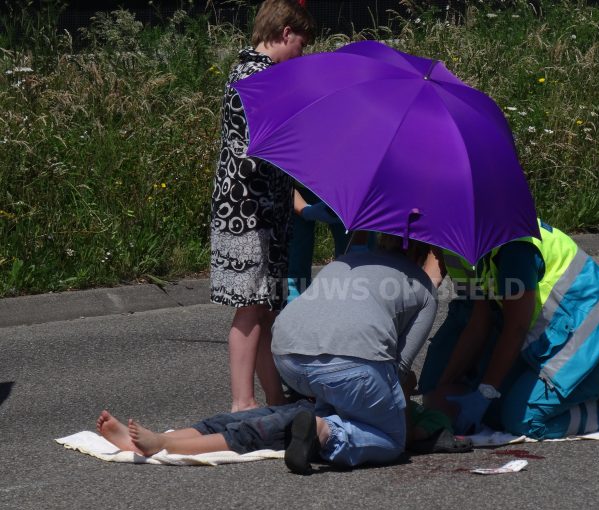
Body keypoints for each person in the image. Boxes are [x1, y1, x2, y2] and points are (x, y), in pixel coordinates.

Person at [420, 219, 599, 440]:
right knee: (491, 410)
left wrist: (485, 392)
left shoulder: (515, 248)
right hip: (568, 346)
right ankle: (581, 391)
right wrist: (445, 386)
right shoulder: (483, 248)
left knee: (521, 420)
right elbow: (478, 324)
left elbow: (516, 328)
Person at [209, 0, 316, 412]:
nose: (300, 54)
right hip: (246, 213)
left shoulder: (262, 75)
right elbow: (261, 147)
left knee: (266, 309)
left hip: (263, 210)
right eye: (301, 45)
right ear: (285, 32)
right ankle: (242, 402)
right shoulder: (256, 77)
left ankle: (273, 398)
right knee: (250, 307)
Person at [271, 234, 443, 474]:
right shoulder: (424, 289)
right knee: (393, 440)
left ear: (381, 239)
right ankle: (325, 432)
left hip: (286, 357)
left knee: (339, 370)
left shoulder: (344, 261)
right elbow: (399, 369)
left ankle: (317, 420)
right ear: (422, 253)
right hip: (348, 370)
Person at [95, 401, 315, 457]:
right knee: (227, 419)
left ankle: (164, 444)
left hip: (333, 414)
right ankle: (155, 438)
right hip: (315, 401)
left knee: (257, 430)